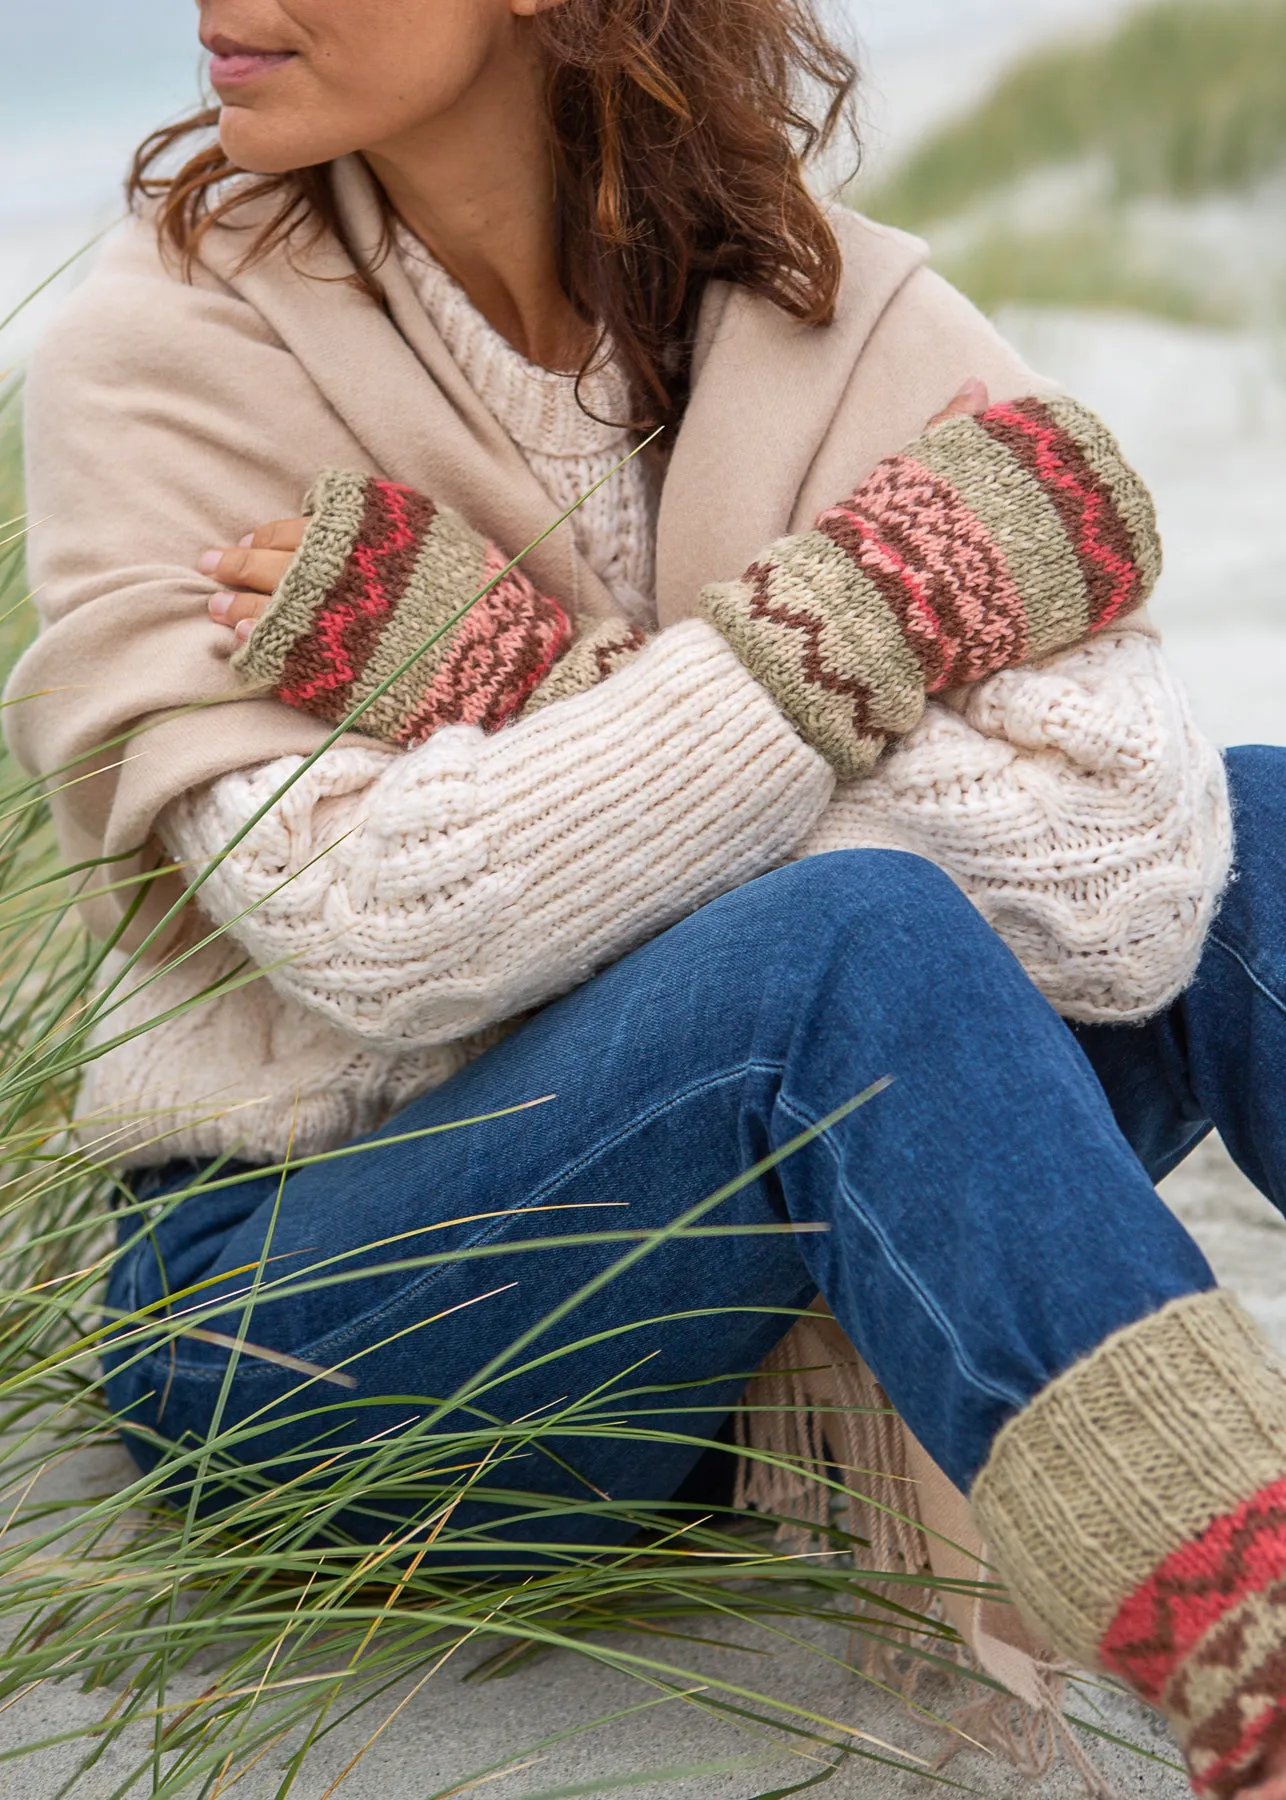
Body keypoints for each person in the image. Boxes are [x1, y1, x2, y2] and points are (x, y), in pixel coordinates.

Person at [6, 1, 1286, 1793]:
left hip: (739, 1318)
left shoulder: (844, 312)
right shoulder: (157, 356)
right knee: (854, 939)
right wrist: (868, 626)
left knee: (1261, 831)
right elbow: (388, 926)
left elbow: (1130, 879)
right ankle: (1268, 1683)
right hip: (320, 1327)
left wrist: (557, 693)